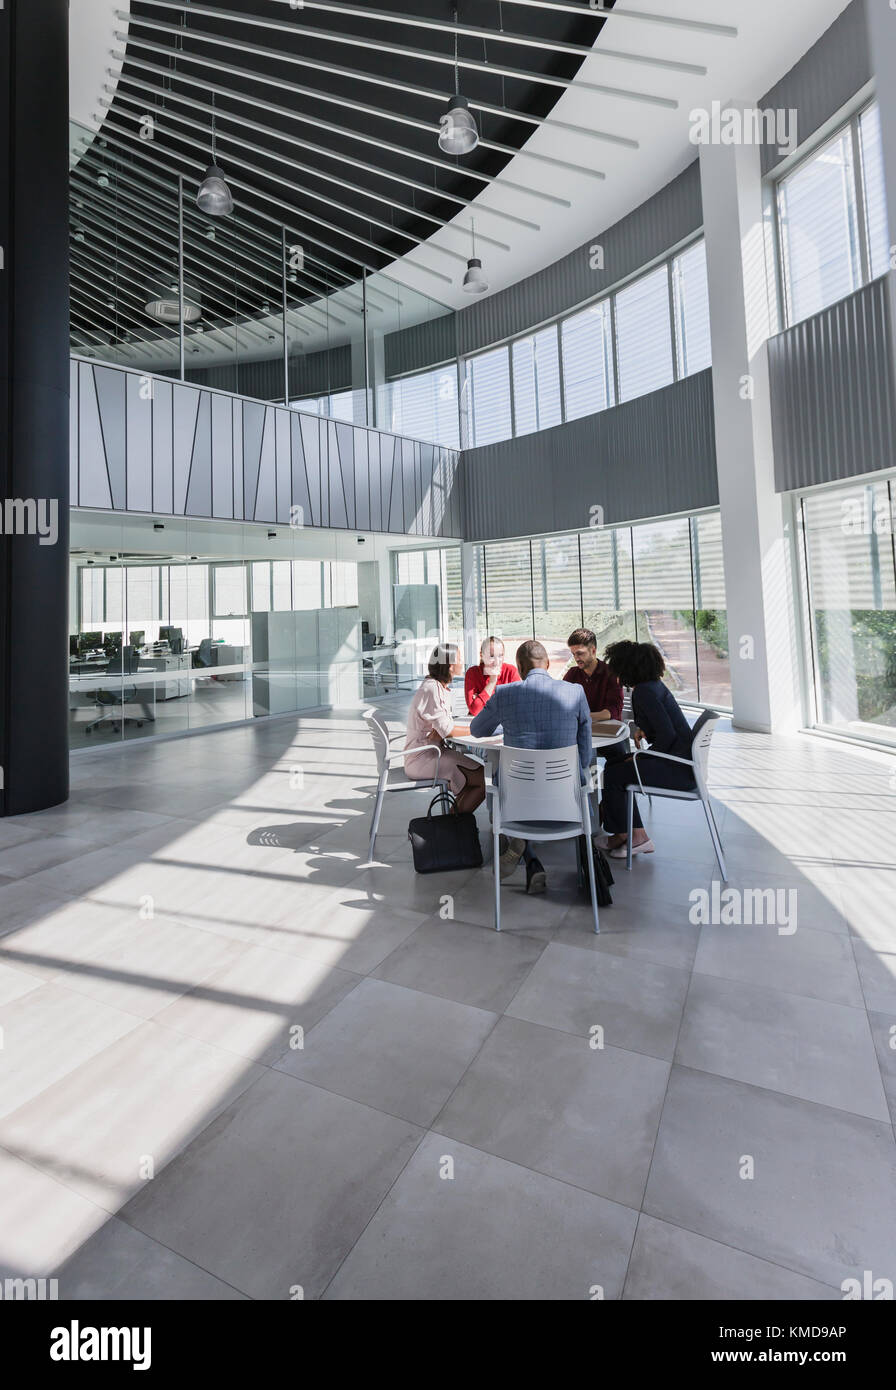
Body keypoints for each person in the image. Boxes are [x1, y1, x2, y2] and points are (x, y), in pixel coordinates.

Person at [470, 639, 593, 894]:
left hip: (518, 807)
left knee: (496, 778)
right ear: (547, 664)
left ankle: (522, 848)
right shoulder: (575, 692)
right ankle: (580, 864)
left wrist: (509, 722)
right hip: (566, 806)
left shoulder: (505, 694)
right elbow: (584, 753)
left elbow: (477, 729)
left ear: (519, 667)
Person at [601, 641, 698, 859]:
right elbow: (667, 727)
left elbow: (668, 736)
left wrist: (641, 756)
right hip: (683, 763)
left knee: (613, 774)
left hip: (677, 769)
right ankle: (625, 833)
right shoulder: (654, 686)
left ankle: (635, 837)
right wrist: (645, 730)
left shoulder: (644, 692)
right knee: (614, 764)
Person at [404, 644, 486, 816]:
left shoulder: (435, 686)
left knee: (479, 776)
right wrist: (478, 728)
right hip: (422, 758)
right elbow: (447, 731)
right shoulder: (432, 689)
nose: (463, 662)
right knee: (483, 780)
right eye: (460, 658)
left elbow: (442, 728)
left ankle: (452, 826)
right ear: (450, 666)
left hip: (431, 752)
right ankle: (452, 827)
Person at [464, 635, 520, 716]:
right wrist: (492, 681)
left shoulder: (511, 671)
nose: (497, 662)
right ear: (481, 656)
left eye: (500, 656)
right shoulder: (472, 673)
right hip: (480, 725)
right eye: (491, 656)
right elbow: (475, 710)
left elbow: (516, 707)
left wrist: (480, 698)